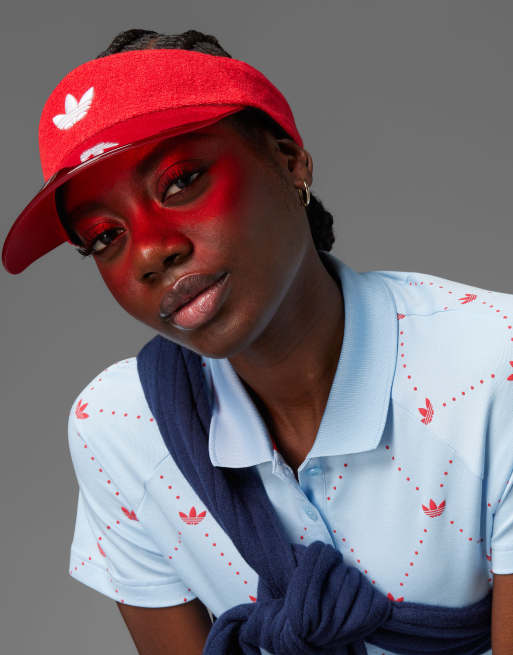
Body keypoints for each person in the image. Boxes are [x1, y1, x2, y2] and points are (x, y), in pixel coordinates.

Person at [3, 27, 513, 655]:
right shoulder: (123, 430)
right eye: (105, 237)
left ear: (289, 160)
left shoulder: (492, 369)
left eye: (181, 181)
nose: (151, 252)